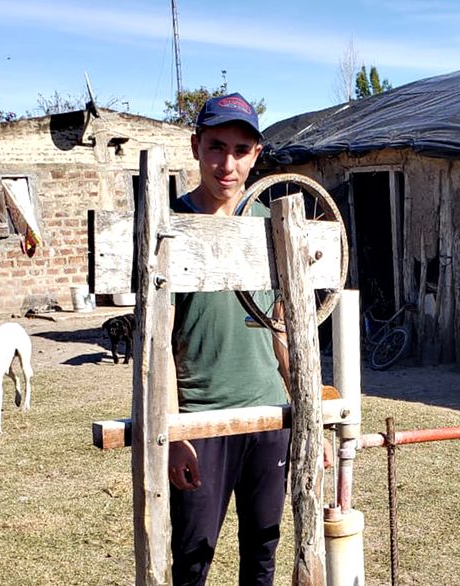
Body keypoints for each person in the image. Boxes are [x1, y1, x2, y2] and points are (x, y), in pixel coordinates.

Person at [166, 92, 291, 586]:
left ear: (256, 156)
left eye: (241, 150)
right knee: (193, 557)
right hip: (201, 421)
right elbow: (155, 348)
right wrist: (175, 435)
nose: (227, 163)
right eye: (217, 147)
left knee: (263, 551)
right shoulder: (169, 226)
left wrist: (306, 414)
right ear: (196, 146)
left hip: (269, 415)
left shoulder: (270, 226)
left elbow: (282, 324)